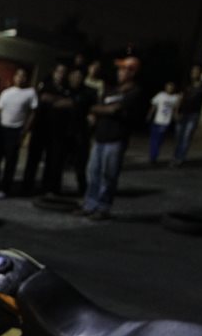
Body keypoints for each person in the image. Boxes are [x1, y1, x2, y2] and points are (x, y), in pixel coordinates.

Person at [78, 56, 142, 220]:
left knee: (109, 175)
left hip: (116, 140)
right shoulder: (112, 89)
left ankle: (103, 207)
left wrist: (100, 109)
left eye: (124, 69)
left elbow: (114, 110)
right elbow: (96, 108)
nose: (119, 72)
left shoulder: (134, 92)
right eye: (119, 69)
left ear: (132, 72)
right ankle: (89, 204)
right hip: (100, 137)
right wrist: (99, 110)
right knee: (93, 173)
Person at [23, 62, 71, 195]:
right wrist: (60, 101)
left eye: (63, 72)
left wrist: (55, 100)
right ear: (54, 72)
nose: (61, 75)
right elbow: (42, 98)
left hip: (57, 131)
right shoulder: (45, 84)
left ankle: (47, 188)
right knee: (33, 159)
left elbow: (70, 103)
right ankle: (27, 186)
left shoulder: (68, 88)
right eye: (59, 72)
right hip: (40, 128)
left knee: (52, 160)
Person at [0, 67, 37, 198]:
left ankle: (5, 188)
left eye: (23, 76)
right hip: (1, 129)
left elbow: (33, 113)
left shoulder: (30, 93)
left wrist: (25, 130)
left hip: (16, 130)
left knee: (10, 161)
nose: (20, 78)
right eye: (18, 75)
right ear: (14, 77)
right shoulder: (6, 92)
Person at [172, 63, 202, 166]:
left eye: (196, 71)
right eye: (193, 71)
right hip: (182, 113)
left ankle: (180, 158)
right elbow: (180, 98)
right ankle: (175, 156)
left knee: (187, 136)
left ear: (201, 72)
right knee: (179, 137)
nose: (194, 73)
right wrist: (176, 111)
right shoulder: (186, 84)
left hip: (194, 114)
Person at [64, 66, 96, 196]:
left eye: (79, 77)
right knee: (59, 162)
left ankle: (83, 190)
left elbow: (94, 111)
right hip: (64, 131)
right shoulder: (65, 90)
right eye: (74, 76)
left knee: (80, 164)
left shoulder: (89, 92)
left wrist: (92, 119)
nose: (76, 79)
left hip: (81, 132)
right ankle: (53, 189)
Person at [146, 81, 180, 165]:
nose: (170, 89)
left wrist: (176, 118)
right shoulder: (160, 95)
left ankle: (154, 156)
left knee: (159, 140)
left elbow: (176, 109)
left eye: (172, 87)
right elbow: (154, 106)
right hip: (157, 120)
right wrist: (149, 115)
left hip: (166, 122)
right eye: (168, 87)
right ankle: (152, 156)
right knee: (153, 139)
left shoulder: (175, 98)